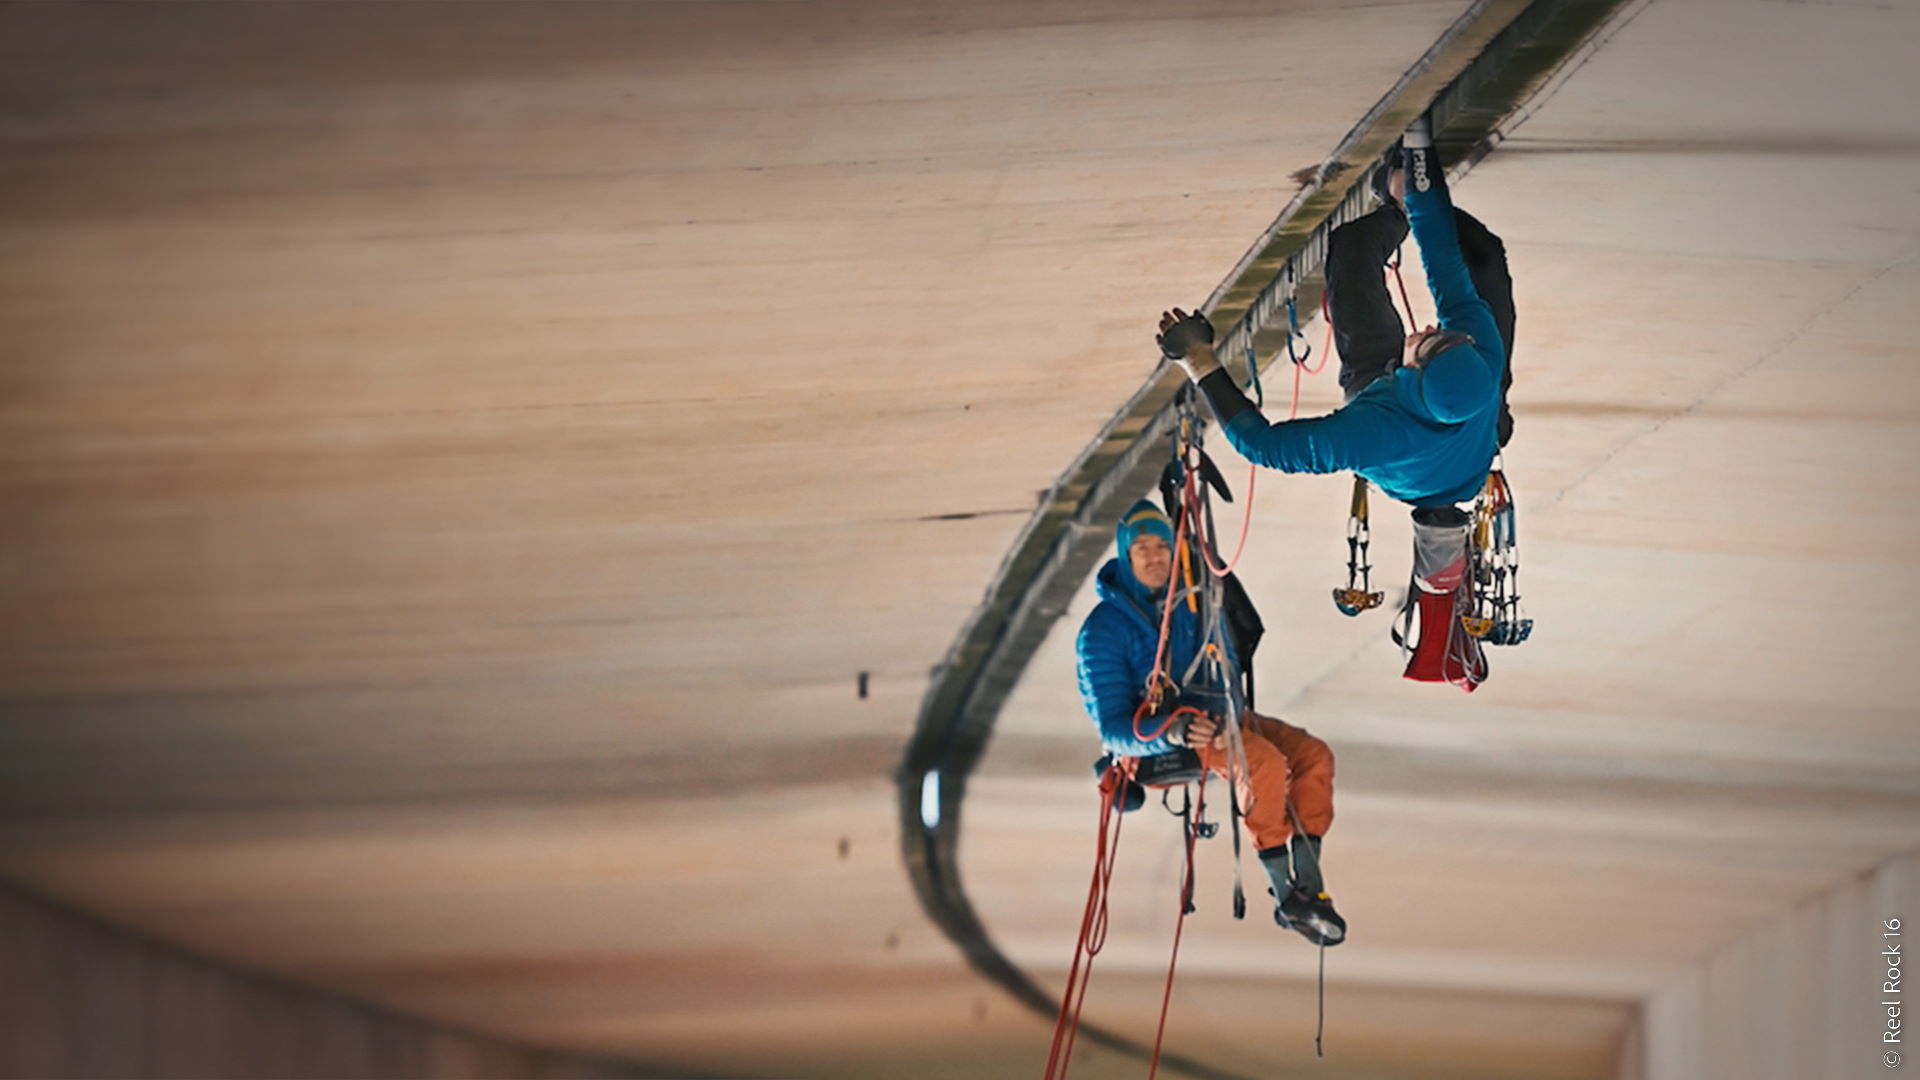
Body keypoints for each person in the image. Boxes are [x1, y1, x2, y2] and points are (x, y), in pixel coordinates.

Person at [1157, 116, 1508, 511]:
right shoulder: (1484, 355)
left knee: (1351, 248)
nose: (1427, 327)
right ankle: (1397, 196)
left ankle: (1394, 201)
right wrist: (1418, 153)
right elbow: (1444, 260)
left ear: (1412, 372)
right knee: (1484, 258)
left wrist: (1198, 361)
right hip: (1473, 421)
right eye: (1442, 334)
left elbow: (1261, 446)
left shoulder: (1367, 435)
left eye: (1425, 342)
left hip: (1409, 452)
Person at [1074, 498, 1345, 945]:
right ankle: (1285, 893)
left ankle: (1310, 886)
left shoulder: (1196, 600)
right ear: (1124, 555)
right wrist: (1174, 730)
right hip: (1163, 742)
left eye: (1161, 545)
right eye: (1140, 548)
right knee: (1264, 765)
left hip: (1223, 718)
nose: (1153, 556)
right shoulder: (1102, 631)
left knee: (1313, 756)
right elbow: (1113, 731)